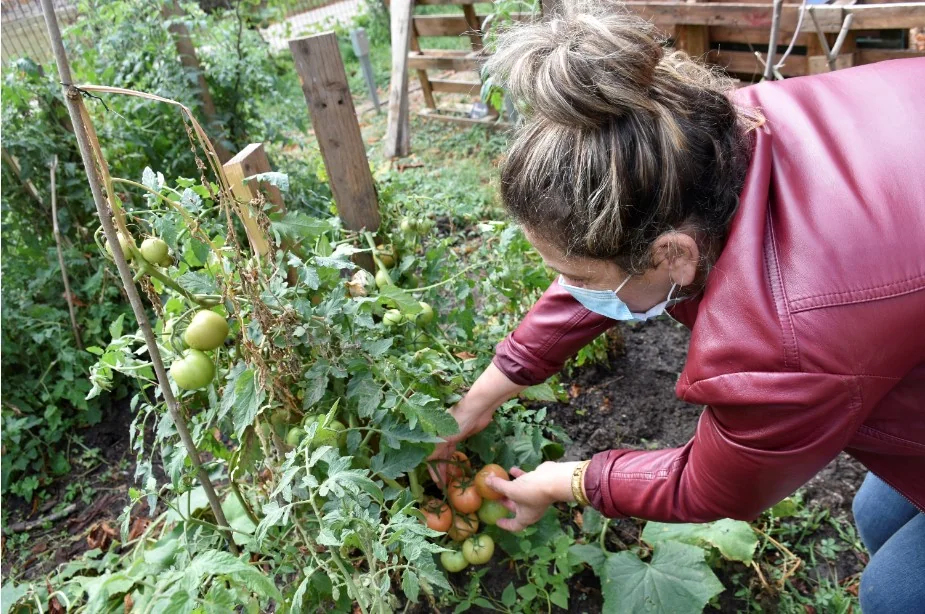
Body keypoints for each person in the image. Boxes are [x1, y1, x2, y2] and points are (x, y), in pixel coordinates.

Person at [427, 2, 925, 611]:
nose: (568, 287)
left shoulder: (791, 339)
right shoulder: (702, 138)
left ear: (673, 255)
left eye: (575, 276)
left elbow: (714, 486)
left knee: (894, 594)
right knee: (879, 511)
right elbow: (611, 263)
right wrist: (479, 399)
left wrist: (566, 480)